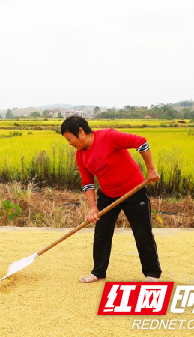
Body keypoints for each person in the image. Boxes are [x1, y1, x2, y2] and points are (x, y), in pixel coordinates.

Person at [60, 116, 161, 283]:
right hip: (107, 195)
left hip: (133, 191)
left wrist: (151, 169)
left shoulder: (108, 137)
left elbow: (142, 143)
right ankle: (98, 272)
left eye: (70, 139)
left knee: (142, 233)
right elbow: (87, 183)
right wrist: (93, 208)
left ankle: (152, 273)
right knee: (101, 234)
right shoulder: (80, 155)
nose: (70, 143)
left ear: (80, 132)